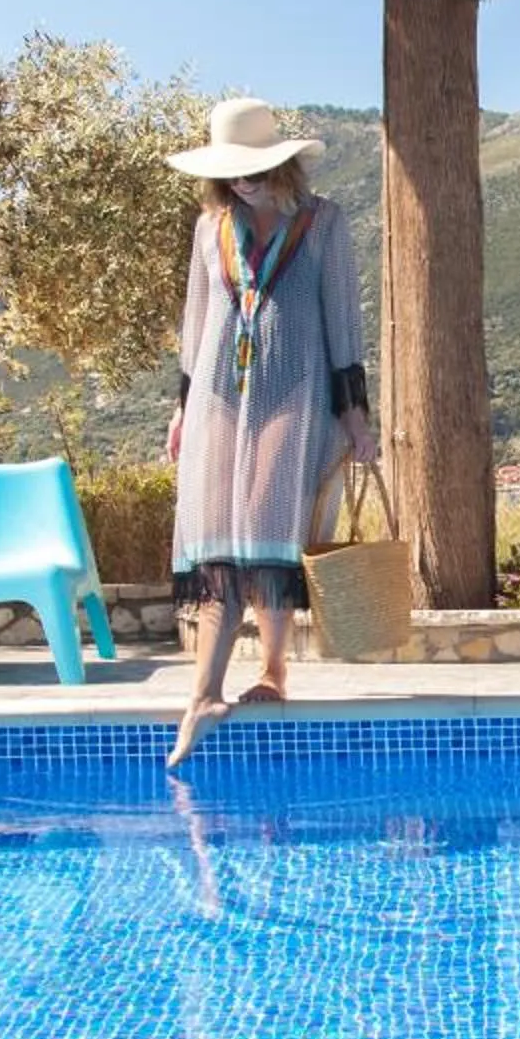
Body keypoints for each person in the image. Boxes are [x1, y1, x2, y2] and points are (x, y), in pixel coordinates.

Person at [163, 99, 378, 764]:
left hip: (296, 394)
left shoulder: (324, 222)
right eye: (231, 172)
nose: (241, 181)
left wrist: (356, 414)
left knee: (269, 539)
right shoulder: (210, 228)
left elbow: (342, 320)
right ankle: (202, 695)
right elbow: (196, 324)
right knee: (219, 548)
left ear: (279, 163)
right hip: (219, 400)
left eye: (251, 168)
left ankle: (274, 671)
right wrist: (180, 407)